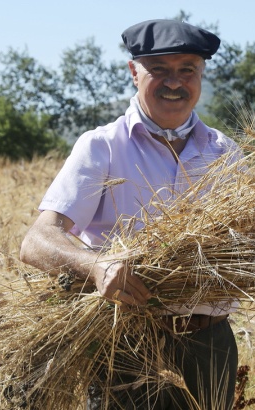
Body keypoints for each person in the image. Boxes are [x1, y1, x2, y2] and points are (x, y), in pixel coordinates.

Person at [20, 19, 239, 409]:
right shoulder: (101, 147)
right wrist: (95, 265)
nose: (175, 82)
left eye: (187, 70)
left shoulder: (226, 154)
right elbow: (36, 241)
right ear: (133, 72)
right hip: (125, 345)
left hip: (210, 347)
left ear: (201, 75)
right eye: (160, 70)